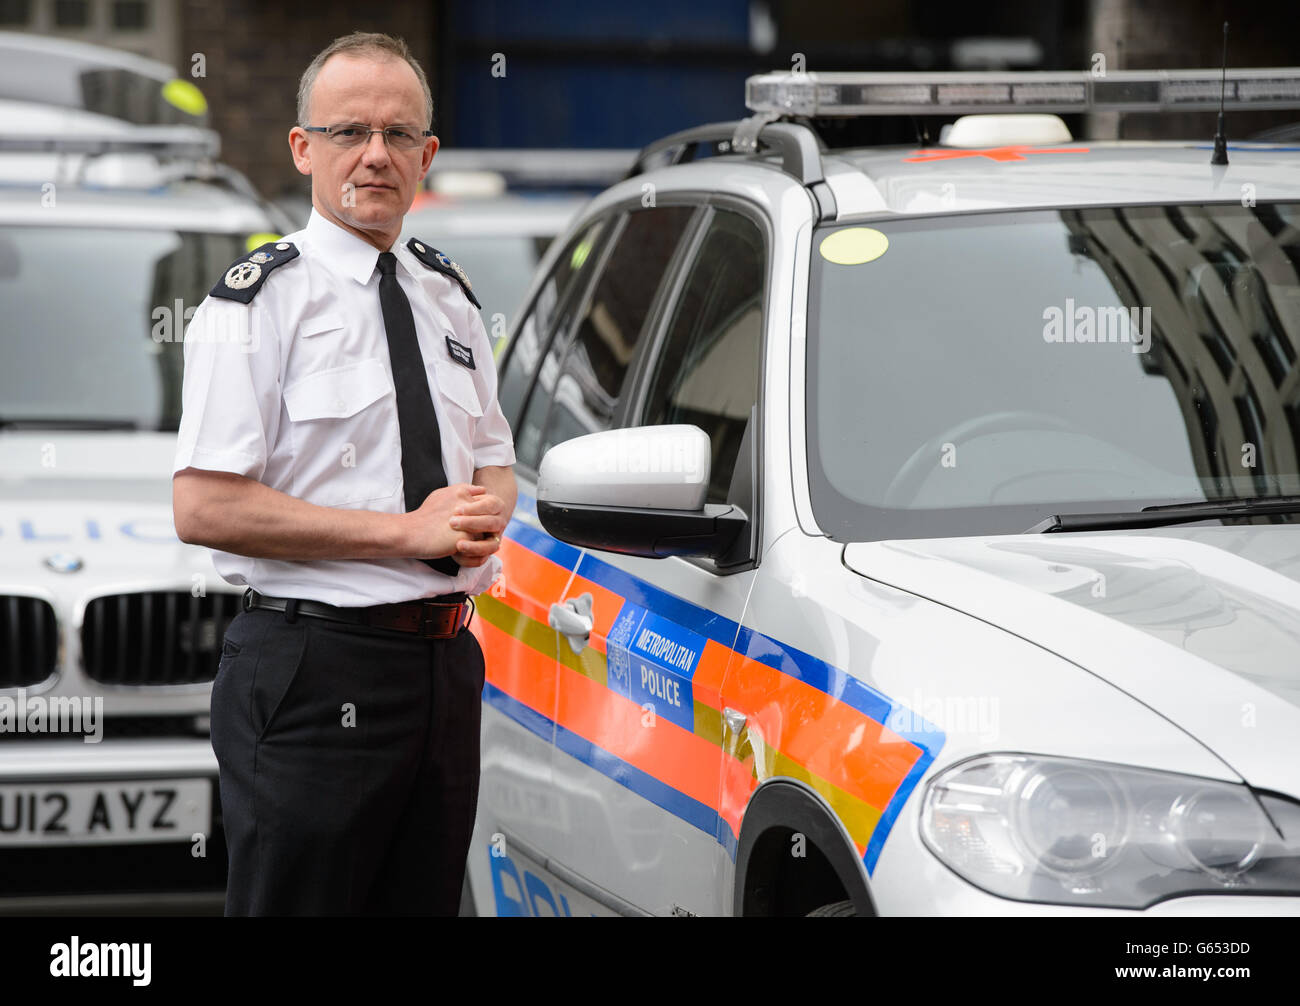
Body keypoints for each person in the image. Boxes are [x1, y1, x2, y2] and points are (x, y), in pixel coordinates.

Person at [171, 31, 517, 916]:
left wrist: (480, 518)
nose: (375, 154)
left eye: (400, 136)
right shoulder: (257, 302)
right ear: (303, 148)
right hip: (312, 669)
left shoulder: (450, 295)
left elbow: (494, 465)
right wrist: (409, 535)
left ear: (428, 156)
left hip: (442, 668)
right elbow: (204, 506)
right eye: (348, 131)